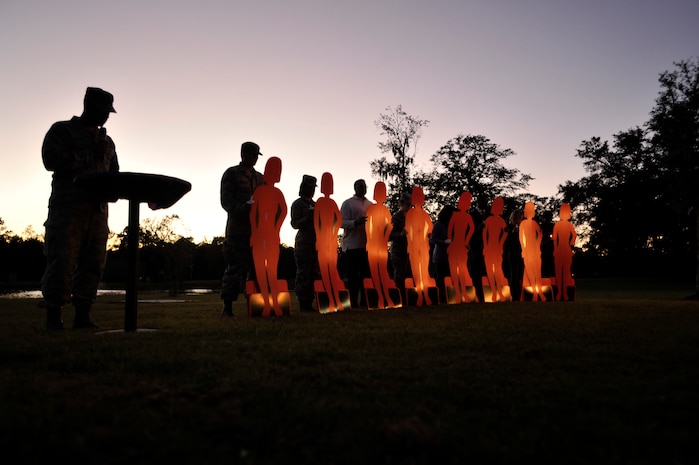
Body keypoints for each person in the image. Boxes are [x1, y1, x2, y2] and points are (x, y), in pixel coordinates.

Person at [40, 87, 119, 330]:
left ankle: (83, 316)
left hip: (97, 213)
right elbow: (49, 161)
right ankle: (54, 319)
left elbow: (114, 174)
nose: (106, 117)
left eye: (108, 113)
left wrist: (117, 191)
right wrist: (88, 155)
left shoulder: (108, 142)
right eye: (102, 111)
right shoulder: (62, 130)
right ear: (88, 105)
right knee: (62, 262)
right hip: (69, 211)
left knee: (94, 265)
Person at [220, 141, 265, 317]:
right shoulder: (231, 174)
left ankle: (255, 306)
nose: (255, 158)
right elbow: (226, 202)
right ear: (244, 154)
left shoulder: (260, 178)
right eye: (253, 154)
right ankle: (227, 306)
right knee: (234, 269)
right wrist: (243, 208)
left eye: (256, 156)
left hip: (257, 231)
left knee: (256, 270)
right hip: (238, 230)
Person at [314, 172, 346, 312]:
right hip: (325, 240)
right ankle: (333, 300)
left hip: (328, 241)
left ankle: (336, 300)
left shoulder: (329, 203)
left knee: (331, 270)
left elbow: (337, 220)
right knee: (327, 271)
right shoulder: (323, 202)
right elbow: (318, 222)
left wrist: (332, 234)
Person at [340, 179, 373, 308]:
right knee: (352, 276)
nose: (362, 188)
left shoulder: (370, 204)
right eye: (360, 186)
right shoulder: (348, 204)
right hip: (352, 245)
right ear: (355, 188)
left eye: (364, 186)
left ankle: (365, 301)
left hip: (367, 245)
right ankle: (352, 302)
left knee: (366, 275)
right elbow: (341, 222)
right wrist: (355, 223)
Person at [365, 181, 397, 309]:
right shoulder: (380, 209)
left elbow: (388, 226)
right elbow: (370, 226)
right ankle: (383, 297)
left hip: (377, 244)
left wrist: (382, 239)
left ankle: (384, 297)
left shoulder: (379, 209)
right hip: (377, 244)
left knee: (380, 271)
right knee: (379, 271)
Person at [290, 175, 319, 311]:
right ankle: (303, 302)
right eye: (309, 188)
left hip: (317, 243)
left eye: (313, 188)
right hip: (304, 244)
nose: (312, 190)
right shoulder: (298, 204)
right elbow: (295, 224)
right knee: (303, 274)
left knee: (315, 273)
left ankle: (311, 301)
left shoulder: (316, 204)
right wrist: (307, 217)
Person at [405, 186, 434, 306]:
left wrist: (422, 233)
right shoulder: (411, 214)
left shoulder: (424, 214)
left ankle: (425, 294)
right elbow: (408, 229)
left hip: (423, 245)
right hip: (415, 246)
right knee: (417, 271)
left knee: (423, 270)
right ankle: (420, 295)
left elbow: (430, 228)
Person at [447, 192, 476, 303]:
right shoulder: (455, 216)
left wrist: (466, 240)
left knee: (462, 270)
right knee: (455, 270)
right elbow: (450, 229)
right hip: (455, 245)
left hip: (461, 245)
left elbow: (472, 228)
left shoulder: (467, 216)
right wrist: (450, 240)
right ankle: (458, 293)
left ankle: (463, 292)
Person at [482, 197, 509, 302]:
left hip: (496, 248)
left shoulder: (501, 221)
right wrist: (485, 245)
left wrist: (500, 243)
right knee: (490, 270)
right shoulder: (488, 220)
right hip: (490, 248)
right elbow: (484, 233)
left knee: (497, 270)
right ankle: (494, 291)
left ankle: (499, 291)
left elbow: (505, 232)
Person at [520, 201, 546, 301]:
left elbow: (539, 234)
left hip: (535, 251)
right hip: (528, 251)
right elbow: (522, 238)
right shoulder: (523, 223)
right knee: (531, 272)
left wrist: (537, 245)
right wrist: (524, 249)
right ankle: (535, 292)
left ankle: (539, 292)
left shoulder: (535, 224)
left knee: (537, 272)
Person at [430, 205, 456, 304]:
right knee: (440, 277)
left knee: (450, 276)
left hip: (450, 256)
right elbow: (433, 239)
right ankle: (439, 297)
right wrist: (444, 242)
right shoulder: (438, 225)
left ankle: (449, 295)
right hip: (440, 255)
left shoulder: (452, 225)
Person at [389, 192, 412, 296]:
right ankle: (398, 297)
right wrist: (401, 234)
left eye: (410, 205)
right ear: (401, 203)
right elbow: (389, 236)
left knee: (409, 275)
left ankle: (409, 297)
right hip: (399, 251)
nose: (409, 207)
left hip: (411, 251)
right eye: (407, 204)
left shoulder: (413, 217)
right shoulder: (396, 218)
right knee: (399, 275)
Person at [552, 203, 577, 301]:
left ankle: (565, 293)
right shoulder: (557, 224)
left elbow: (574, 235)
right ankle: (559, 292)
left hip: (566, 249)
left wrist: (571, 244)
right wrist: (555, 249)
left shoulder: (569, 225)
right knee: (558, 273)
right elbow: (554, 238)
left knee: (566, 273)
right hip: (560, 249)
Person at [504, 209, 524, 301]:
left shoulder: (522, 227)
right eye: (519, 217)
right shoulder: (509, 227)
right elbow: (507, 242)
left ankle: (519, 295)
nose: (521, 219)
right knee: (514, 274)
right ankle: (514, 295)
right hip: (513, 253)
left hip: (521, 253)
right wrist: (513, 233)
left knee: (519, 274)